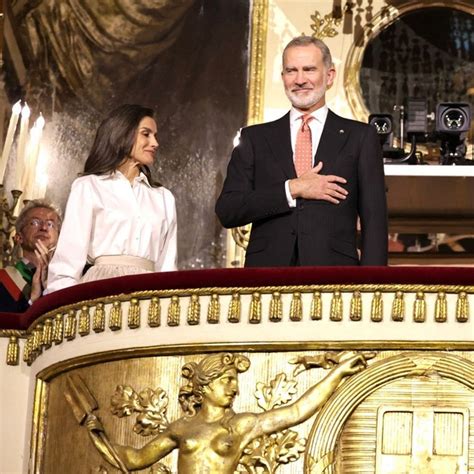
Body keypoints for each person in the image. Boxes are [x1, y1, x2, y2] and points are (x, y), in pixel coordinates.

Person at [216, 36, 388, 266]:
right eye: (291, 71)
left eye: (309, 69)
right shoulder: (254, 138)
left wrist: (372, 289)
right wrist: (293, 188)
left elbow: (374, 221)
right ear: (283, 77)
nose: (299, 79)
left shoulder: (361, 137)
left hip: (335, 278)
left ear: (329, 76)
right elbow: (228, 210)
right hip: (267, 277)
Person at [86, 351, 369, 472]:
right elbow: (135, 458)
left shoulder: (241, 425)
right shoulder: (180, 428)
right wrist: (97, 435)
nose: (235, 388)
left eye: (235, 381)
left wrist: (338, 373)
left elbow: (296, 411)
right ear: (205, 387)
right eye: (227, 380)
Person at [46, 104, 177, 292]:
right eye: (146, 134)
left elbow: (167, 268)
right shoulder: (88, 187)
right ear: (122, 134)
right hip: (101, 291)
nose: (155, 143)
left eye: (155, 135)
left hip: (150, 294)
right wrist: (60, 308)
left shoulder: (164, 198)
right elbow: (67, 263)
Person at [0, 200, 61, 312]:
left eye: (50, 224)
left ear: (59, 239)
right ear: (19, 237)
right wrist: (33, 300)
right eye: (35, 223)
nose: (43, 228)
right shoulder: (3, 280)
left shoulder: (67, 279)